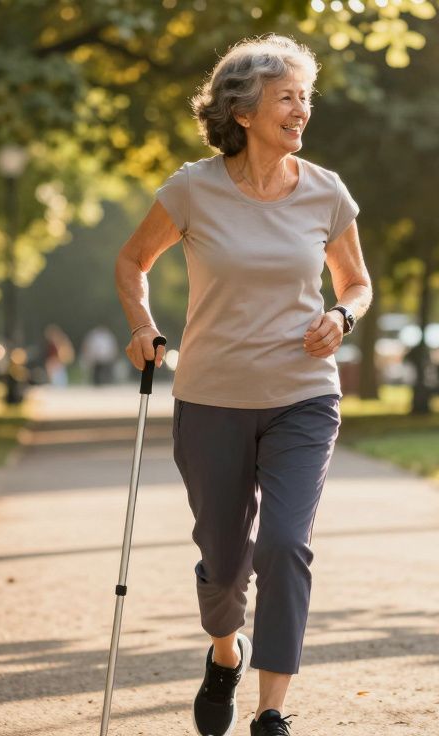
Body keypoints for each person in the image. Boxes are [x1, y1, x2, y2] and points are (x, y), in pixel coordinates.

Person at [114, 35, 371, 736]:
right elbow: (133, 261)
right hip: (210, 400)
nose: (300, 110)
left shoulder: (325, 190)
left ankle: (271, 711)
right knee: (224, 566)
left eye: (304, 98)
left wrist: (342, 316)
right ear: (243, 109)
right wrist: (143, 323)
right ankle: (226, 651)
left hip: (303, 397)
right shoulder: (192, 188)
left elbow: (357, 281)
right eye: (287, 96)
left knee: (286, 544)